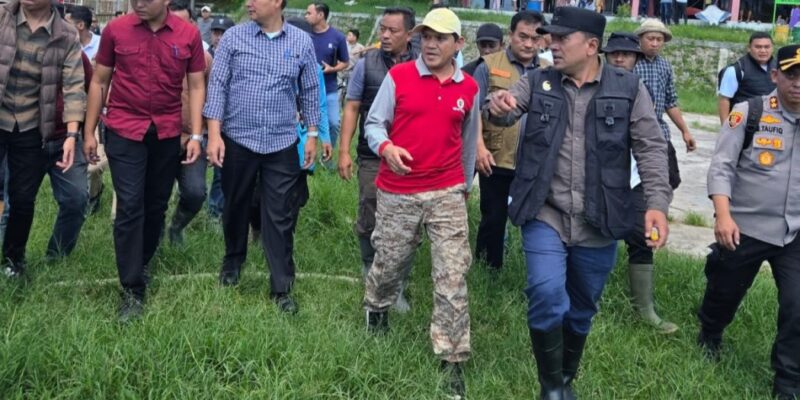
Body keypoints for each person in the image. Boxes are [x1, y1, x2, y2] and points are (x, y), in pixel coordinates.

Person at [486, 7, 672, 399]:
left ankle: (566, 378)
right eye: (548, 38)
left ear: (591, 46)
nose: (549, 45)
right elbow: (504, 112)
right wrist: (498, 108)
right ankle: (551, 387)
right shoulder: (537, 81)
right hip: (544, 211)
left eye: (559, 39)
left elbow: (652, 148)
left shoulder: (627, 88)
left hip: (600, 217)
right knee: (546, 292)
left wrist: (656, 203)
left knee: (583, 306)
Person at [362, 8, 479, 398]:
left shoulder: (469, 89)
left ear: (458, 44)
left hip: (447, 191)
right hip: (398, 189)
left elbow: (468, 142)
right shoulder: (399, 78)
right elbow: (374, 123)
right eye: (425, 36)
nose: (430, 44)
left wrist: (463, 186)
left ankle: (451, 360)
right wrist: (387, 146)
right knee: (390, 261)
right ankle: (376, 310)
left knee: (452, 275)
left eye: (440, 38)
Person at [82, 0, 206, 321]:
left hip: (166, 133)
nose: (138, 3)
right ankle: (132, 287)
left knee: (156, 205)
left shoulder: (187, 34)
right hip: (124, 129)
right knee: (130, 204)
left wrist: (195, 136)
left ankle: (142, 262)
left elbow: (195, 85)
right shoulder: (116, 30)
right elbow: (99, 81)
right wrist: (89, 131)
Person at [204, 0, 321, 315]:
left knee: (280, 213)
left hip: (281, 142)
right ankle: (233, 262)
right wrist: (213, 135)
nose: (248, 3)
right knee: (235, 204)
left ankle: (281, 287)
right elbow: (217, 87)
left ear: (278, 3)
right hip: (237, 139)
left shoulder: (301, 42)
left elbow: (310, 90)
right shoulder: (234, 38)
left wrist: (312, 134)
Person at [699, 44, 800, 400]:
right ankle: (709, 334)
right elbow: (722, 166)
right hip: (745, 227)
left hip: (794, 233)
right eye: (792, 75)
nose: (798, 83)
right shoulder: (749, 112)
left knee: (797, 306)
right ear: (776, 76)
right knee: (724, 293)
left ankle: (787, 382)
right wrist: (723, 216)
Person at [338, 6, 418, 313]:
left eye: (392, 30)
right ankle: (369, 266)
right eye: (382, 29)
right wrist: (344, 151)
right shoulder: (367, 62)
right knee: (369, 209)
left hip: (412, 157)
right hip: (373, 153)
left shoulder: (424, 61)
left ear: (409, 34)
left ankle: (398, 283)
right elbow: (352, 106)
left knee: (408, 223)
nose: (384, 35)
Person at [0, 0, 86, 278]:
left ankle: (14, 260)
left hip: (30, 126)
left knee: (22, 198)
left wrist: (72, 134)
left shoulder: (66, 35)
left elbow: (74, 87)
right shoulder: (3, 17)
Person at [604, 31, 680, 335]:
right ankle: (586, 300)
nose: (620, 58)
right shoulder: (594, 87)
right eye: (615, 54)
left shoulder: (640, 91)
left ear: (636, 58)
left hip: (634, 178)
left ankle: (644, 308)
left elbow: (652, 143)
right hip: (599, 179)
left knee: (643, 234)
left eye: (626, 54)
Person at [473, 11, 548, 272]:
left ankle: (535, 272)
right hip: (496, 155)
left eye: (534, 38)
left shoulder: (550, 71)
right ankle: (487, 272)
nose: (528, 44)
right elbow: (473, 113)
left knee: (537, 220)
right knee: (493, 218)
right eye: (522, 36)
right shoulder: (489, 64)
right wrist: (479, 149)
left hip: (534, 161)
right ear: (511, 36)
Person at [164, 0, 214, 245]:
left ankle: (176, 226)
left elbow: (213, 98)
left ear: (193, 24)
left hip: (193, 138)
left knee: (195, 193)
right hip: (160, 137)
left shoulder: (204, 59)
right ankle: (151, 242)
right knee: (156, 195)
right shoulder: (157, 51)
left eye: (182, 23)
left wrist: (211, 136)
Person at [634, 19, 696, 191]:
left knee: (670, 179)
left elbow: (670, 101)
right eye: (650, 38)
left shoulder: (665, 66)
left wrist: (685, 131)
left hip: (659, 132)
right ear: (640, 39)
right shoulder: (631, 62)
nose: (654, 43)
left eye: (659, 40)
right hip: (634, 132)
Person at [305, 1, 349, 156]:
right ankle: (303, 155)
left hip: (328, 88)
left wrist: (332, 69)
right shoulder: (303, 34)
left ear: (321, 15)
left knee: (333, 123)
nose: (306, 16)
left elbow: (345, 62)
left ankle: (327, 154)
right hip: (304, 90)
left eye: (309, 13)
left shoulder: (337, 37)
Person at [205, 16, 235, 222]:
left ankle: (229, 210)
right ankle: (215, 211)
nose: (219, 37)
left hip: (232, 120)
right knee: (218, 169)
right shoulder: (204, 57)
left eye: (223, 32)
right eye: (216, 32)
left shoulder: (238, 57)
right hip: (209, 121)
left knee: (229, 170)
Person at [718, 32, 776, 124]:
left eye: (767, 47)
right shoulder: (736, 70)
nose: (763, 50)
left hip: (772, 125)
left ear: (772, 48)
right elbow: (724, 100)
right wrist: (725, 129)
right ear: (749, 48)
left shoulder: (779, 68)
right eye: (758, 47)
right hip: (742, 124)